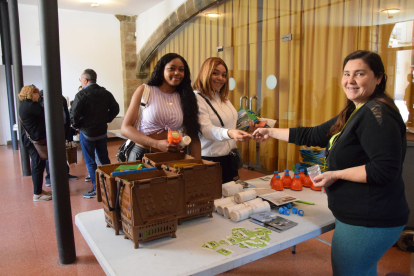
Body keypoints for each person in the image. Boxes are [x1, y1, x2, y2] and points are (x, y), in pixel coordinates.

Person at [253, 50, 409, 276]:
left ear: (379, 78)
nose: (350, 80)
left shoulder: (377, 113)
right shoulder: (356, 110)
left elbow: (384, 170)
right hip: (362, 215)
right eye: (347, 74)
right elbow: (314, 135)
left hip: (370, 219)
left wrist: (336, 175)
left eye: (360, 74)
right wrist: (270, 132)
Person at [121, 53, 201, 161]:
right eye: (171, 68)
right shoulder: (145, 91)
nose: (177, 73)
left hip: (172, 158)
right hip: (143, 155)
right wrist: (157, 144)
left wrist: (198, 165)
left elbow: (193, 134)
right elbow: (125, 128)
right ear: (161, 70)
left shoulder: (186, 97)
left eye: (181, 70)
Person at [193, 57, 253, 183]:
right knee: (216, 200)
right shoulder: (197, 98)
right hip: (211, 160)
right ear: (206, 73)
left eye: (224, 75)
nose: (220, 78)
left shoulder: (222, 97)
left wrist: (246, 126)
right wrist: (231, 133)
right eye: (215, 73)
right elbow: (206, 129)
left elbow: (229, 123)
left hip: (230, 159)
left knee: (232, 197)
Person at [70, 69, 120, 198]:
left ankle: (97, 188)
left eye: (80, 79)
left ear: (85, 80)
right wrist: (107, 118)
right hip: (102, 131)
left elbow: (74, 114)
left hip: (87, 133)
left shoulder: (81, 95)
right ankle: (110, 185)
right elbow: (116, 108)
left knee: (90, 162)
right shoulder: (105, 93)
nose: (80, 81)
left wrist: (78, 126)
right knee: (104, 159)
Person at [37, 90, 78, 186]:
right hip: (49, 131)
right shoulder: (40, 102)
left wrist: (68, 132)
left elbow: (66, 116)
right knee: (49, 154)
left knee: (62, 153)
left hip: (62, 128)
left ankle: (65, 174)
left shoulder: (61, 99)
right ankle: (49, 177)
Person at [18, 85, 52, 201]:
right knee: (37, 164)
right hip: (34, 140)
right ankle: (37, 194)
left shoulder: (23, 104)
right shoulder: (32, 105)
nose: (39, 95)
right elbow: (46, 114)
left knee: (38, 163)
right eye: (37, 93)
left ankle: (38, 190)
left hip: (29, 139)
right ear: (31, 93)